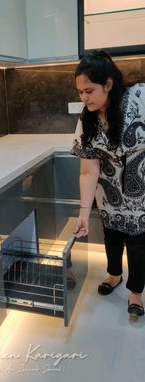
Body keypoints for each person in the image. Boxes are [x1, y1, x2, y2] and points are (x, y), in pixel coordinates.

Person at [71, 49, 145, 319]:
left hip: (141, 197)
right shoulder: (87, 119)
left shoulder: (140, 98)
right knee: (112, 238)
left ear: (108, 84)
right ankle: (114, 275)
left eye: (89, 90)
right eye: (80, 92)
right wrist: (82, 212)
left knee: (138, 245)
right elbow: (88, 171)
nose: (84, 97)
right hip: (109, 195)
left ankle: (136, 292)